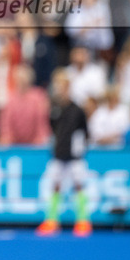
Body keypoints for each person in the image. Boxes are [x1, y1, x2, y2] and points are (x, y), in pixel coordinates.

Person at [36, 70, 92, 237]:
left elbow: (85, 132)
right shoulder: (54, 108)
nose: (59, 90)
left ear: (68, 87)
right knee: (55, 186)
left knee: (78, 185)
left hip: (75, 156)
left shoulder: (77, 110)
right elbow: (53, 129)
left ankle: (82, 221)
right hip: (58, 154)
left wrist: (79, 149)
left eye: (62, 86)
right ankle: (52, 220)